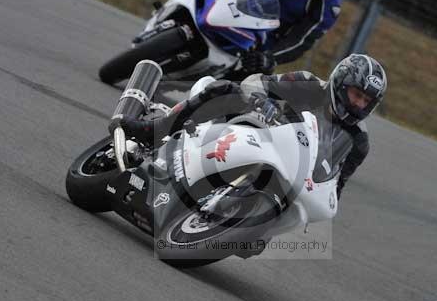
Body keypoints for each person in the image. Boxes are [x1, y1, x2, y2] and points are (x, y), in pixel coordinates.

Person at [109, 54, 387, 197]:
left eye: (365, 100)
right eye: (356, 94)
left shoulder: (357, 142)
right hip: (251, 130)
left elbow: (338, 184)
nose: (358, 104)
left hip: (286, 170)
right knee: (225, 90)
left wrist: (327, 197)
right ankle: (153, 131)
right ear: (340, 84)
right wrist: (261, 100)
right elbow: (256, 83)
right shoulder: (309, 84)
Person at [186, 0, 345, 76]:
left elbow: (301, 40)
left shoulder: (330, 6)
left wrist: (270, 58)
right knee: (198, 3)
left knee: (246, 85)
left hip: (262, 41)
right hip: (241, 6)